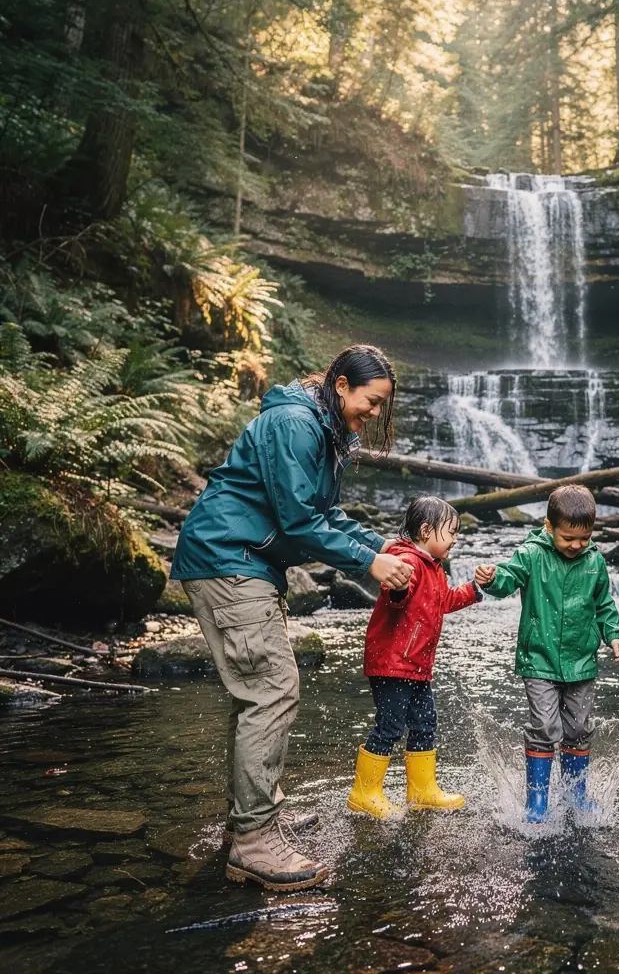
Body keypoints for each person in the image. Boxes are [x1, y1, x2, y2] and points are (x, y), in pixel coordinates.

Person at [171, 344, 414, 892]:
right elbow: (299, 521)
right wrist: (369, 564)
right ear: (342, 385)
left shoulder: (321, 425)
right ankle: (254, 841)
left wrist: (381, 545)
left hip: (245, 560)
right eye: (372, 401)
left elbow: (324, 513)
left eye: (383, 405)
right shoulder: (295, 424)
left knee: (258, 692)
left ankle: (252, 817)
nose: (375, 413)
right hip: (229, 557)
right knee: (272, 690)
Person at [475, 485, 619, 823]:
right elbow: (507, 578)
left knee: (579, 728)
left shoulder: (595, 561)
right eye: (568, 538)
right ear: (549, 527)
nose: (576, 545)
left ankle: (576, 795)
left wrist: (614, 636)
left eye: (584, 538)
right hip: (539, 659)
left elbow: (604, 605)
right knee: (545, 726)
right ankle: (537, 802)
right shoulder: (532, 554)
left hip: (582, 661)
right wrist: (491, 578)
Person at [347, 496, 481, 819]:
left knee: (424, 723)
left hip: (416, 665)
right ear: (425, 531)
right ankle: (364, 792)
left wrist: (475, 588)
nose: (455, 539)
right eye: (451, 532)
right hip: (392, 664)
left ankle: (422, 790)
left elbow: (444, 601)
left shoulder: (434, 567)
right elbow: (396, 595)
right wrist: (398, 587)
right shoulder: (407, 561)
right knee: (390, 726)